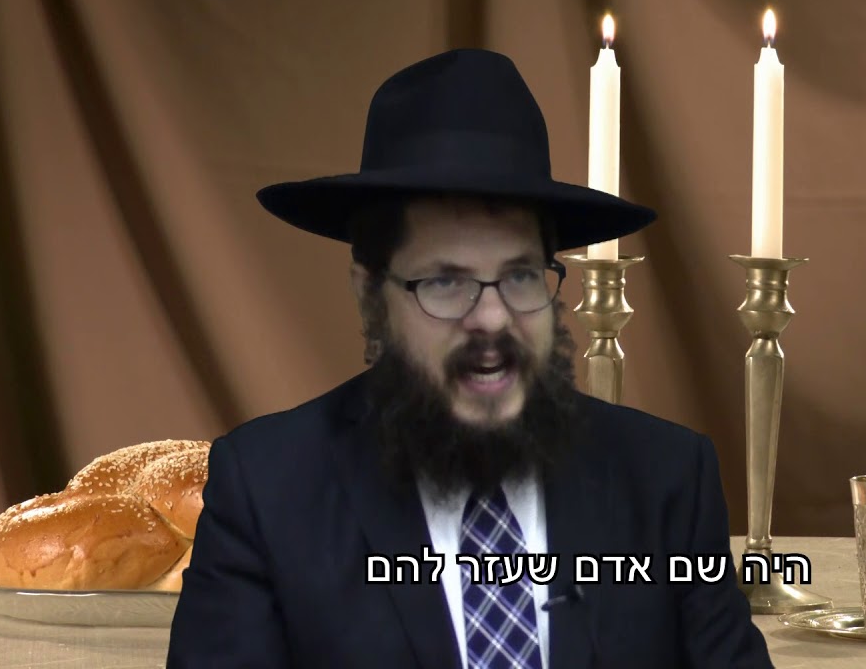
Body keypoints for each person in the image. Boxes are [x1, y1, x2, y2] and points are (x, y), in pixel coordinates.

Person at [166, 48, 772, 668]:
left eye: (521, 276)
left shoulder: (667, 479)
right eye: (446, 282)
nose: (492, 319)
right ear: (371, 296)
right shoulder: (268, 490)